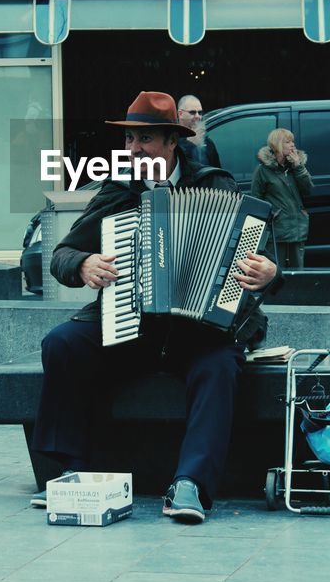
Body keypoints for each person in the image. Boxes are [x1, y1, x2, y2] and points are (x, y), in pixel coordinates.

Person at [31, 91, 280, 523]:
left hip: (200, 330)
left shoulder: (214, 185)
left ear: (171, 141)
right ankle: (67, 472)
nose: (134, 149)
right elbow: (63, 253)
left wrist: (269, 274)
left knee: (219, 367)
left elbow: (261, 256)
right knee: (63, 344)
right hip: (133, 325)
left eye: (144, 139)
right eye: (129, 140)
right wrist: (85, 263)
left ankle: (190, 486)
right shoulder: (119, 192)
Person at [252, 128, 313, 270]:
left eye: (293, 141)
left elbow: (307, 190)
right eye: (287, 142)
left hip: (297, 228)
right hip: (277, 231)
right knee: (275, 271)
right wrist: (271, 218)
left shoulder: (295, 167)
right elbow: (256, 200)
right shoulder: (263, 170)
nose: (292, 145)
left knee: (297, 273)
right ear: (277, 144)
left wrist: (299, 167)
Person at [176, 94, 221, 167]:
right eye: (192, 112)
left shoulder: (207, 142)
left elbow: (217, 172)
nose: (198, 116)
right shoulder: (172, 139)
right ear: (180, 114)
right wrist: (191, 144)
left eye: (200, 112)